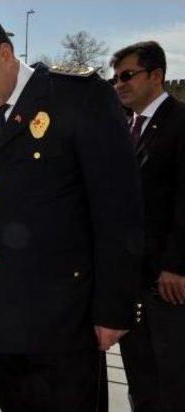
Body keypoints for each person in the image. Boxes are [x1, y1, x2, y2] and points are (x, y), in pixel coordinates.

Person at [0, 13, 143, 411]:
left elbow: (119, 209)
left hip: (60, 322)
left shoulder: (78, 98)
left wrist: (114, 309)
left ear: (5, 53)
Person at [111, 41, 185, 412]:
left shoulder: (180, 122)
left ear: (156, 76)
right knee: (140, 374)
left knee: (171, 378)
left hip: (168, 282)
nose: (119, 84)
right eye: (115, 77)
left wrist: (177, 265)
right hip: (133, 279)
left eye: (127, 75)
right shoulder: (127, 126)